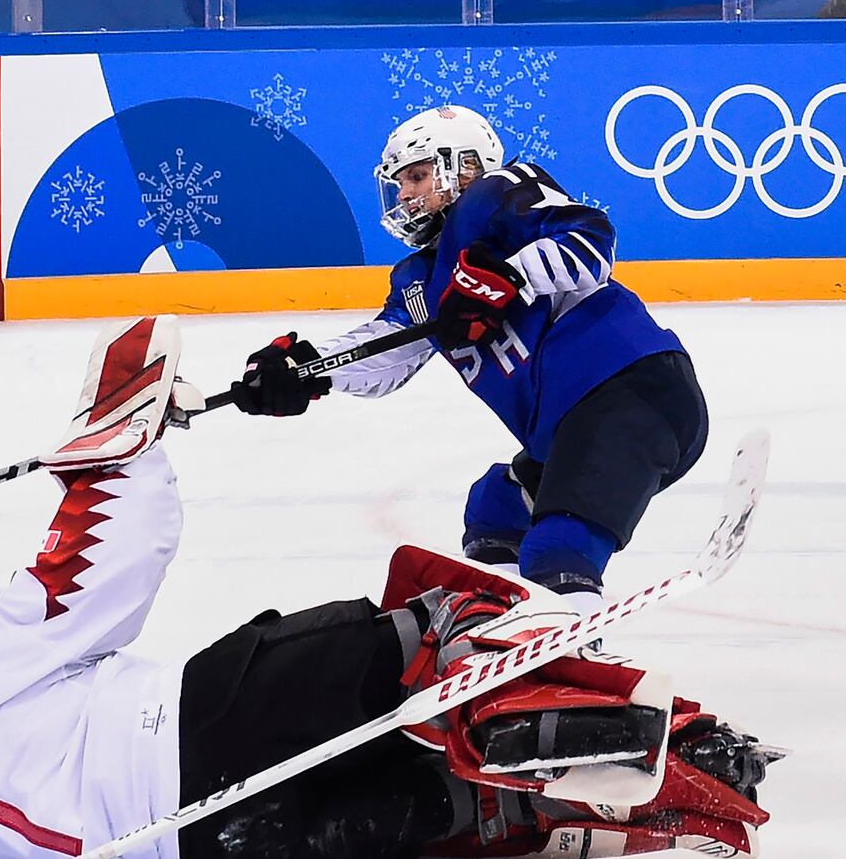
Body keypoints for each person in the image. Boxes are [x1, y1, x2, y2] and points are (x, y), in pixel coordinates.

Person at [0, 317, 776, 859]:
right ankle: (621, 723)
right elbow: (104, 552)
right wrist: (122, 442)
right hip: (206, 726)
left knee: (436, 797)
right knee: (427, 628)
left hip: (232, 852)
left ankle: (585, 798)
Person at [227, 106, 707, 618]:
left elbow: (590, 242)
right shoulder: (420, 278)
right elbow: (390, 346)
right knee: (496, 507)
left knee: (558, 549)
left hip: (633, 391)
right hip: (573, 427)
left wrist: (510, 277)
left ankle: (576, 672)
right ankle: (494, 636)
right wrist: (308, 369)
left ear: (466, 167)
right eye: (400, 183)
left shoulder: (497, 196)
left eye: (417, 175)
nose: (406, 193)